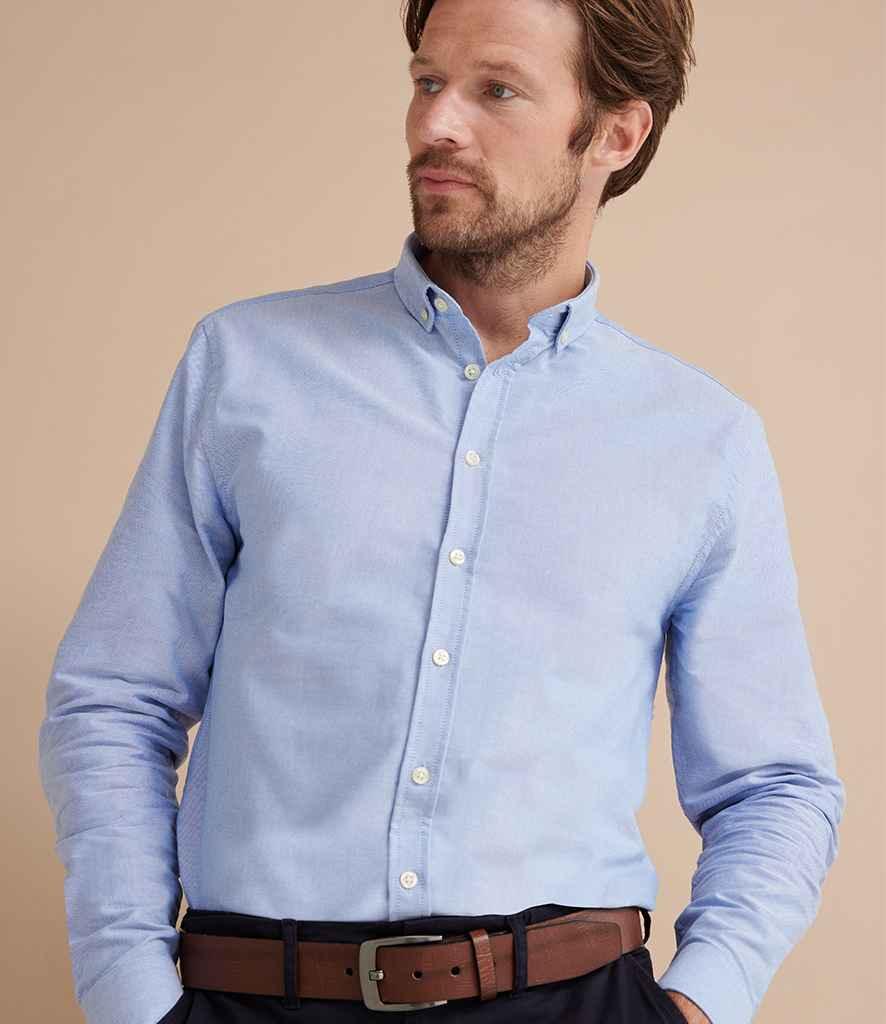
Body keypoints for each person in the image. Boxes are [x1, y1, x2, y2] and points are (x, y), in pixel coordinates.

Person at [37, 1, 846, 1023]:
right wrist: (131, 995)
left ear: (614, 132)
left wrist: (698, 1003)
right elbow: (115, 699)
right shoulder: (246, 367)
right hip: (256, 995)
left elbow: (776, 784)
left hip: (574, 999)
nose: (435, 124)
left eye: (494, 89)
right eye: (427, 82)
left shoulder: (701, 441)